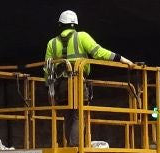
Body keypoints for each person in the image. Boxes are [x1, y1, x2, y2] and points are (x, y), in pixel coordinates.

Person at [44, 10, 130, 145]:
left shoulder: (52, 43)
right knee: (78, 115)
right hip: (78, 82)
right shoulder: (82, 37)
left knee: (68, 116)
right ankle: (76, 148)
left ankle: (71, 147)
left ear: (60, 24)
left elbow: (47, 69)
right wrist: (121, 59)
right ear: (74, 24)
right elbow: (99, 53)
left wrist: (50, 91)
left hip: (61, 85)